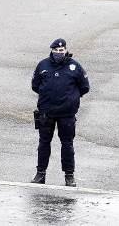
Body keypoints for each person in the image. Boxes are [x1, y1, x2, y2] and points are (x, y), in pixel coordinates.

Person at [31, 39, 90, 187]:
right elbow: (35, 86)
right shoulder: (42, 65)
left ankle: (69, 176)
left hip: (66, 114)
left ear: (66, 50)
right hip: (47, 113)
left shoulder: (74, 66)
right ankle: (40, 174)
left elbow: (85, 87)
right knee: (44, 144)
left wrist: (71, 99)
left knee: (67, 144)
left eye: (61, 50)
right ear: (52, 50)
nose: (59, 53)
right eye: (56, 51)